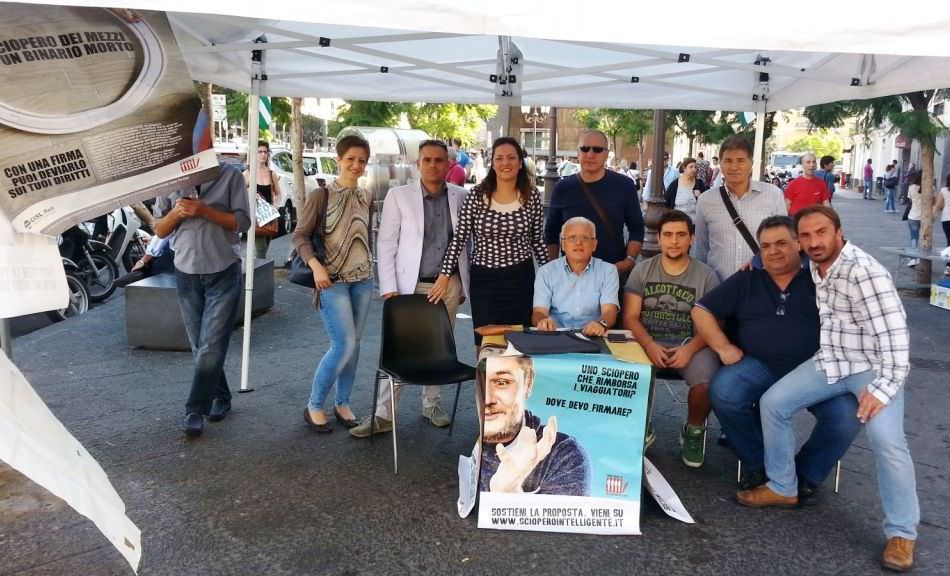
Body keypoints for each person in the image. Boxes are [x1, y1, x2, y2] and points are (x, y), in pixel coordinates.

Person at [746, 206, 919, 572]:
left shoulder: (864, 272)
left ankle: (902, 533)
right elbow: (774, 254)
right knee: (773, 403)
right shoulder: (814, 264)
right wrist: (753, 262)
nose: (813, 243)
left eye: (820, 233)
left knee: (888, 442)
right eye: (806, 236)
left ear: (839, 232)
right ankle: (782, 485)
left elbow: (897, 342)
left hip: (873, 369)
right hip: (831, 360)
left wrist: (883, 389)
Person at [693, 215, 860, 496]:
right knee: (723, 391)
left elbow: (843, 253)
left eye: (782, 243)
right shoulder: (747, 278)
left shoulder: (822, 276)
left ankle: (806, 475)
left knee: (846, 415)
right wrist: (723, 346)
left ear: (798, 243)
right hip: (760, 364)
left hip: (817, 370)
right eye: (766, 245)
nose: (774, 251)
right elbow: (701, 310)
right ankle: (760, 465)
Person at [351, 139, 468, 437]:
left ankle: (431, 403)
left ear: (448, 164)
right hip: (409, 285)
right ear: (418, 164)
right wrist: (389, 288)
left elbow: (467, 242)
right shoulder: (398, 196)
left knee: (440, 347)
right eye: (427, 160)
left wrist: (462, 284)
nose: (433, 165)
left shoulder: (460, 196)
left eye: (439, 160)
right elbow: (387, 242)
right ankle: (384, 415)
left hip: (447, 287)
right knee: (403, 350)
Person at [153, 164, 251, 437]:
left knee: (211, 344)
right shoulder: (169, 179)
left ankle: (195, 409)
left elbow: (243, 222)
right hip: (186, 271)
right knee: (200, 345)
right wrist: (176, 213)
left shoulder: (230, 175)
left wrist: (204, 211)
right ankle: (221, 395)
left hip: (223, 269)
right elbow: (159, 229)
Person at [623, 210, 720, 467]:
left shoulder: (706, 276)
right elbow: (631, 317)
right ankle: (642, 423)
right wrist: (649, 344)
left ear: (691, 238)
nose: (674, 241)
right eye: (668, 235)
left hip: (691, 344)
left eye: (680, 235)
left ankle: (694, 430)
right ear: (660, 238)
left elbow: (714, 324)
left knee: (707, 381)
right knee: (626, 370)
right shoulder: (643, 271)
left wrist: (690, 350)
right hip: (648, 341)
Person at [293, 135, 374, 433]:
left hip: (363, 281)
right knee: (343, 344)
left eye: (362, 160)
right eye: (350, 159)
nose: (356, 165)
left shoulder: (367, 196)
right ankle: (314, 405)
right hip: (332, 282)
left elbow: (366, 237)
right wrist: (316, 267)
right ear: (338, 159)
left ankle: (343, 403)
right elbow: (300, 236)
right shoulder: (322, 195)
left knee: (355, 346)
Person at [432, 137, 547, 345]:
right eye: (499, 158)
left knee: (519, 342)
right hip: (485, 281)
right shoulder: (477, 195)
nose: (505, 163)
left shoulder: (531, 197)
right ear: (492, 163)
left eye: (511, 158)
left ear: (520, 163)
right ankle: (483, 379)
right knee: (486, 343)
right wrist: (444, 275)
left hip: (521, 279)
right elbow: (459, 238)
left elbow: (537, 241)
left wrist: (551, 276)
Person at [544, 129, 644, 289]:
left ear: (606, 154)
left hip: (611, 275)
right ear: (578, 153)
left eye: (597, 149)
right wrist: (555, 267)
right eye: (585, 149)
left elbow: (637, 228)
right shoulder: (562, 188)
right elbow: (551, 232)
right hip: (571, 278)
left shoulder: (624, 186)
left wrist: (628, 262)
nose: (590, 154)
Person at [480, 356, 591, 495]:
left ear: (528, 383)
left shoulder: (563, 454)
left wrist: (509, 491)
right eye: (480, 383)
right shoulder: (469, 438)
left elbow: (565, 515)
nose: (487, 399)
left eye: (502, 382)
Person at [693, 135, 787, 281]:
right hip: (717, 289)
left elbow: (784, 244)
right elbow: (701, 251)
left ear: (751, 164)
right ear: (721, 164)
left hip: (760, 287)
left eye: (741, 160)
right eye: (728, 160)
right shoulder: (705, 201)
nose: (734, 167)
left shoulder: (773, 195)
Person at [532, 217, 619, 336]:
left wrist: (601, 324)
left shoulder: (608, 271)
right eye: (572, 238)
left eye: (585, 238)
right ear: (563, 244)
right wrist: (543, 321)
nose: (578, 243)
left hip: (594, 336)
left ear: (594, 244)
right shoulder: (546, 272)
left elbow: (610, 311)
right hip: (555, 335)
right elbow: (539, 311)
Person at [243, 142, 280, 260]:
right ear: (254, 154)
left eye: (265, 152)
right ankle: (257, 276)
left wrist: (276, 207)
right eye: (260, 152)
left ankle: (256, 273)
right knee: (261, 250)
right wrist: (249, 193)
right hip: (255, 217)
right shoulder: (248, 174)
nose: (263, 154)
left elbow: (278, 193)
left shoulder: (271, 174)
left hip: (269, 217)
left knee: (264, 249)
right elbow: (239, 194)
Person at [934, 174, 950, 273]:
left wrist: (932, 216)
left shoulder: (944, 190)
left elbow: (938, 205)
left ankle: (948, 266)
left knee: (949, 241)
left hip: (947, 218)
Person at [905, 171, 922, 255]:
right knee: (924, 238)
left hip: (913, 216)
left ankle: (913, 257)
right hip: (925, 217)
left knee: (914, 238)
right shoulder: (931, 188)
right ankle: (921, 256)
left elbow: (910, 200)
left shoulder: (911, 187)